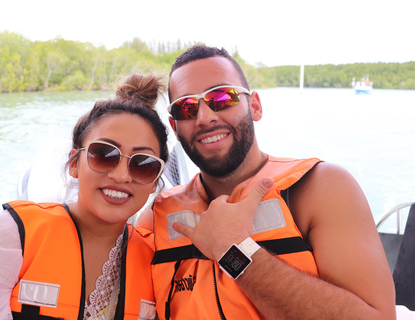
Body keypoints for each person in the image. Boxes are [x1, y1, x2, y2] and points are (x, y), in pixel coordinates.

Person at [137, 45, 396, 319]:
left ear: (255, 106)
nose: (205, 117)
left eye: (222, 97)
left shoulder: (320, 188)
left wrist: (232, 250)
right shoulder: (156, 217)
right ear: (175, 128)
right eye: (186, 108)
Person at [0, 73, 168, 320]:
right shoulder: (10, 238)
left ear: (155, 182)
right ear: (74, 163)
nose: (122, 175)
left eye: (143, 164)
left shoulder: (158, 262)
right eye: (104, 154)